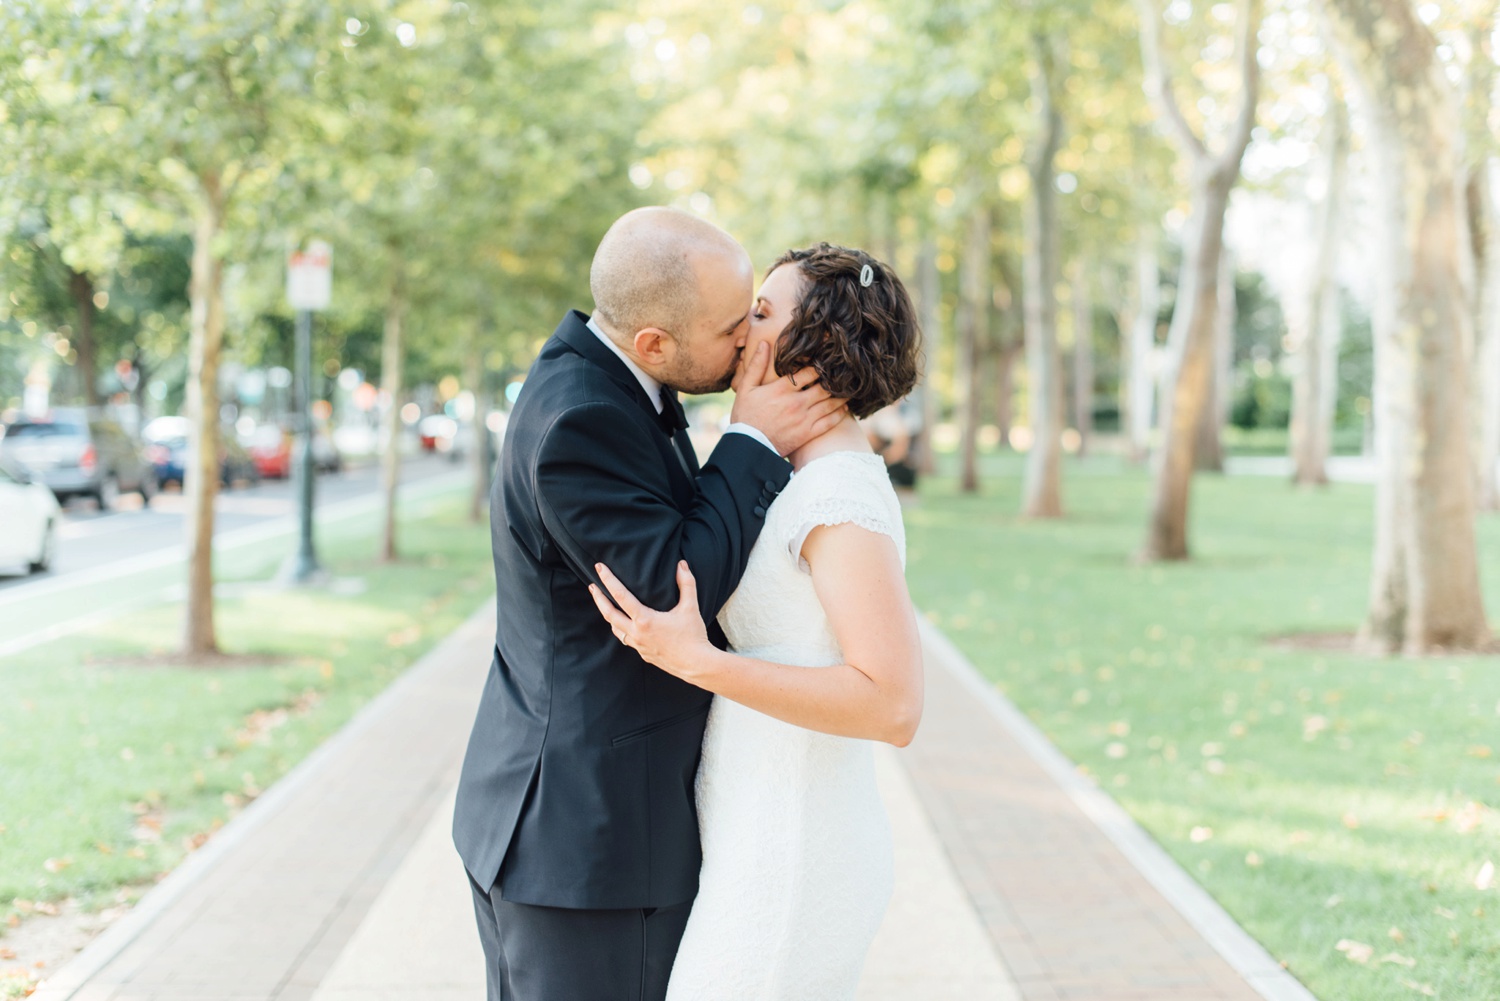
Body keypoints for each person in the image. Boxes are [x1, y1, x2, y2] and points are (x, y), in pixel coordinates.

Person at [452, 208, 846, 1001]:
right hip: (589, 845)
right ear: (654, 344)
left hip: (563, 824)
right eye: (734, 326)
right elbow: (672, 599)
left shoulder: (606, 380)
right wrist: (752, 442)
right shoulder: (580, 418)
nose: (748, 343)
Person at [590, 243, 926, 1000]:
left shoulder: (837, 493)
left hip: (795, 850)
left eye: (764, 313)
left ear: (816, 353)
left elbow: (894, 703)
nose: (743, 330)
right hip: (755, 831)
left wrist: (699, 662)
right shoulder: (792, 471)